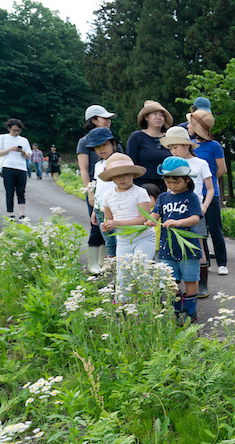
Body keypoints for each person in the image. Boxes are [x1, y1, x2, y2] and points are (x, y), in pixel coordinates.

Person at [146, 157, 204, 324]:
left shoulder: (191, 197)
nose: (171, 185)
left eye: (176, 181)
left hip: (188, 248)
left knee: (190, 278)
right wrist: (150, 220)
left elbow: (195, 218)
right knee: (169, 279)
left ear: (187, 179)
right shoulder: (163, 197)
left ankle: (190, 311)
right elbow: (155, 214)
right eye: (168, 181)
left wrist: (178, 222)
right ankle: (175, 309)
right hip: (167, 247)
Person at [159, 126, 214, 298]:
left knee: (198, 246)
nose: (173, 150)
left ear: (187, 145)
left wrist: (204, 206)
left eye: (176, 146)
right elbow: (168, 190)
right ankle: (177, 288)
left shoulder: (201, 163)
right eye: (170, 147)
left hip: (193, 209)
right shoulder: (170, 163)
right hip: (174, 211)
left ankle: (202, 282)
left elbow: (210, 189)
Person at [99, 153, 154, 300]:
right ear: (111, 178)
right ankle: (122, 307)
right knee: (123, 274)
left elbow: (144, 218)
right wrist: (106, 225)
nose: (121, 178)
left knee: (141, 268)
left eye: (125, 174)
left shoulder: (140, 193)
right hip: (123, 241)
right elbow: (109, 218)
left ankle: (149, 303)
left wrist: (117, 223)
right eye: (117, 175)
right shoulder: (107, 195)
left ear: (133, 174)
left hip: (143, 238)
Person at [186, 107, 229, 276]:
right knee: (199, 230)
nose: (187, 127)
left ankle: (222, 263)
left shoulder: (215, 146)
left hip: (211, 193)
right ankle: (206, 262)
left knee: (215, 228)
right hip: (194, 194)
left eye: (190, 124)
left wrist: (207, 180)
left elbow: (222, 169)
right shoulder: (189, 145)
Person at [78, 105, 119, 272]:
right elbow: (84, 169)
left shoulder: (113, 142)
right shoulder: (84, 141)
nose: (108, 121)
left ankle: (105, 261)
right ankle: (93, 263)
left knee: (112, 229)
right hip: (96, 192)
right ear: (93, 120)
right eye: (104, 118)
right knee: (97, 226)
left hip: (114, 195)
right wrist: (90, 193)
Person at [86, 127, 120, 271]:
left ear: (113, 144)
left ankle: (121, 268)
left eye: (104, 145)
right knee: (108, 240)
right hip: (100, 209)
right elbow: (99, 188)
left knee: (119, 238)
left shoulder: (118, 161)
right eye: (97, 147)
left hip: (116, 207)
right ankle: (111, 268)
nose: (101, 149)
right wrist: (94, 209)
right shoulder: (98, 165)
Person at [126, 100, 173, 191]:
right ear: (146, 117)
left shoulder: (170, 138)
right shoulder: (137, 137)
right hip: (143, 187)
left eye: (161, 115)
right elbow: (131, 164)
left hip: (167, 186)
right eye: (154, 114)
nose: (158, 117)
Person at [0, 118, 32, 220]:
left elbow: (28, 156)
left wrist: (22, 152)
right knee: (9, 191)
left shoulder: (24, 140)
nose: (16, 132)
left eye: (18, 131)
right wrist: (10, 149)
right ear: (8, 128)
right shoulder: (2, 138)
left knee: (21, 191)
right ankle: (11, 213)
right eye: (14, 130)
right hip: (8, 167)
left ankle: (22, 213)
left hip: (21, 168)